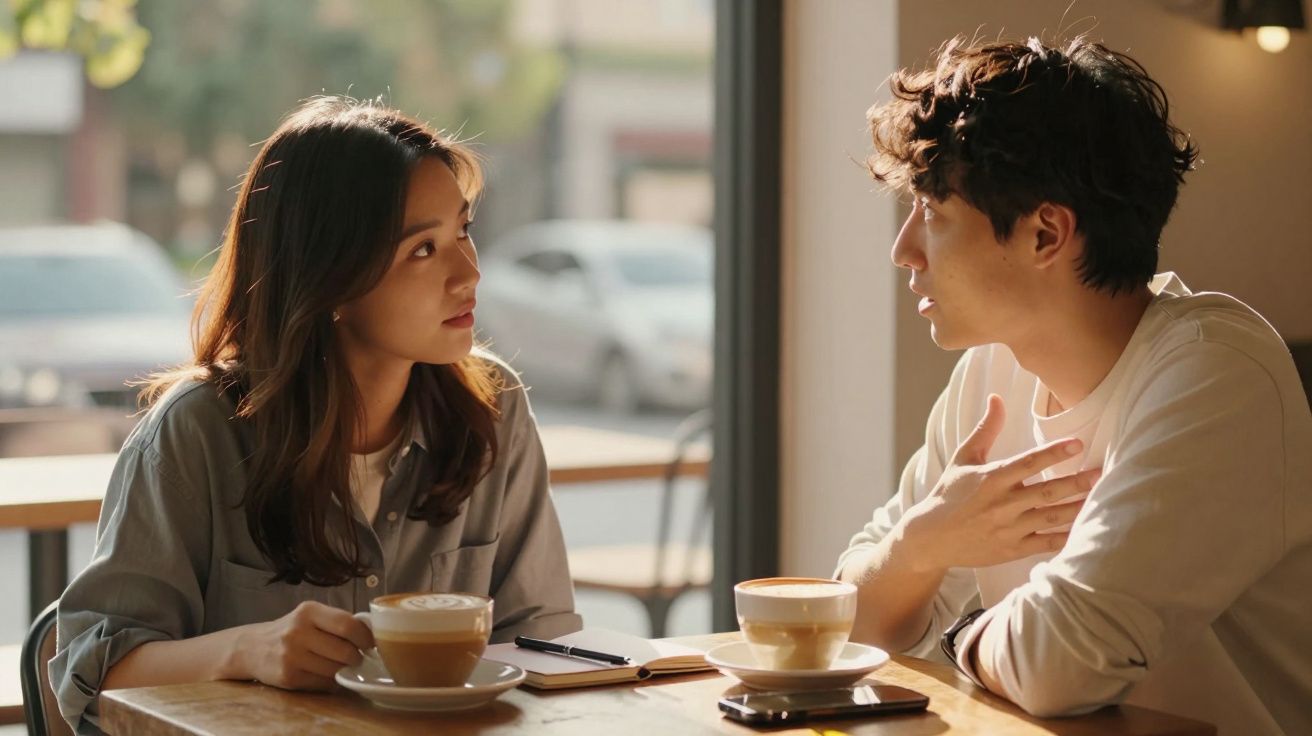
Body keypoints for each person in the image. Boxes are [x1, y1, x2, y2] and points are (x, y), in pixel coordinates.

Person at [51, 96, 583, 734]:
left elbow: (543, 641)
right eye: (423, 250)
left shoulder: (492, 412)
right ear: (330, 279)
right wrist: (245, 651)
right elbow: (88, 673)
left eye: (463, 232)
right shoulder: (195, 433)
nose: (468, 273)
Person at [835, 36, 1311, 735]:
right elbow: (848, 625)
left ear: (1045, 235)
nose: (903, 251)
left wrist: (956, 635)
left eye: (933, 214)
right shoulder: (992, 370)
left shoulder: (1217, 375)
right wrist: (922, 544)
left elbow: (1060, 664)